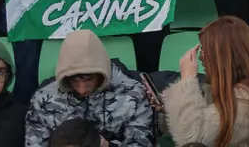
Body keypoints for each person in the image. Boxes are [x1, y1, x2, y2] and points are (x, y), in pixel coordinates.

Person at [162, 15, 249, 147]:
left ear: (221, 57)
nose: (201, 59)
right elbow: (208, 122)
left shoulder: (247, 101)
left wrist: (187, 80)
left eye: (204, 51)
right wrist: (166, 109)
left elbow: (193, 138)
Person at [24, 30, 154, 147]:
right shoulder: (43, 99)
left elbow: (143, 143)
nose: (82, 89)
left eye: (88, 79)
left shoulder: (134, 94)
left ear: (100, 73)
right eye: (74, 80)